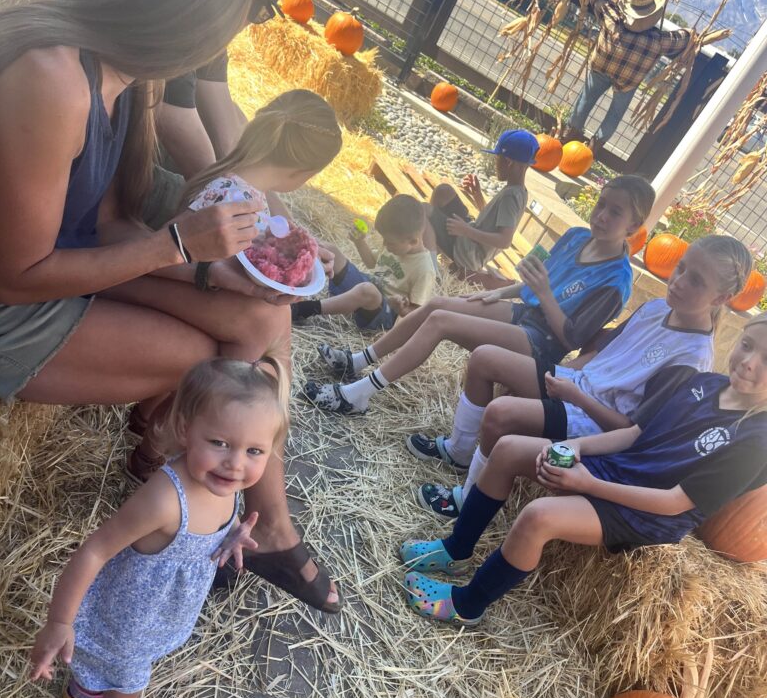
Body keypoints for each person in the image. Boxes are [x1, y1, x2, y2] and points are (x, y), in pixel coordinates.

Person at [0, 0, 339, 613]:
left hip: (64, 262)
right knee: (211, 357)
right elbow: (19, 274)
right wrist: (182, 248)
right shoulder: (55, 79)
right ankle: (215, 510)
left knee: (251, 322)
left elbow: (109, 219)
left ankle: (247, 515)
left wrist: (244, 259)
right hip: (13, 305)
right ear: (187, 20)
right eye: (224, 32)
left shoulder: (119, 75)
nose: (222, 52)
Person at [399, 313, 767, 627]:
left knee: (538, 516)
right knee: (509, 448)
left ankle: (468, 605)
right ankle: (457, 548)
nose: (749, 362)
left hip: (647, 511)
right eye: (747, 345)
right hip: (620, 467)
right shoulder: (702, 383)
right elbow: (633, 435)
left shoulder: (756, 440)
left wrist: (588, 483)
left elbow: (675, 503)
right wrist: (576, 446)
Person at [29, 359, 289, 698]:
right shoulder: (166, 500)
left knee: (108, 669)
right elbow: (95, 550)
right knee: (125, 693)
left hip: (153, 613)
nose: (235, 464)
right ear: (185, 429)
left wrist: (229, 538)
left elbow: (203, 535)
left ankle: (83, 689)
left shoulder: (222, 485)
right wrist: (59, 621)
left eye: (254, 451)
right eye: (220, 442)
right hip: (130, 622)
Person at [411, 235, 752, 517]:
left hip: (594, 421)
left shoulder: (690, 360)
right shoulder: (657, 308)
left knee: (502, 413)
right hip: (578, 385)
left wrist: (573, 395)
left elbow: (630, 430)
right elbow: (600, 355)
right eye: (681, 268)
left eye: (695, 280)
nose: (678, 281)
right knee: (486, 359)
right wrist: (558, 376)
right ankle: (459, 451)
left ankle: (465, 500)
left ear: (721, 297)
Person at [128, 89, 343, 485]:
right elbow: (179, 253)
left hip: (174, 275)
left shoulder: (225, 178)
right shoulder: (240, 202)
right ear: (303, 176)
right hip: (157, 276)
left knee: (260, 331)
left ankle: (151, 418)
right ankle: (163, 442)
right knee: (245, 351)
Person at [303, 176, 648, 416]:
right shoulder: (575, 236)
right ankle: (358, 361)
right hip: (524, 314)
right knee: (438, 304)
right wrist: (498, 294)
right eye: (601, 204)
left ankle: (359, 394)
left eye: (615, 212)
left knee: (440, 321)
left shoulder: (616, 281)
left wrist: (541, 293)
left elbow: (571, 337)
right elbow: (532, 284)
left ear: (634, 227)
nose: (602, 215)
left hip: (542, 344)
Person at [156, 0, 295, 179]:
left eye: (256, 7)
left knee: (237, 116)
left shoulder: (209, 41)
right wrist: (247, 201)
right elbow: (205, 167)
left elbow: (230, 145)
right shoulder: (174, 29)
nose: (239, 12)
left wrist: (281, 217)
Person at [563, 0, 691, 158]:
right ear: (654, 15)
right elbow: (683, 39)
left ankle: (569, 137)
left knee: (586, 99)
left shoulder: (613, 19)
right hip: (628, 81)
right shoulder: (659, 40)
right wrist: (691, 33)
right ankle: (590, 152)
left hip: (601, 67)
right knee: (614, 115)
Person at [290, 195, 435, 331]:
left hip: (383, 312)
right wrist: (359, 242)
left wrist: (402, 308)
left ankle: (303, 309)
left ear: (413, 241)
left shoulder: (424, 269)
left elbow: (417, 312)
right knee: (331, 251)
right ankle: (290, 272)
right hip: (367, 288)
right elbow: (372, 263)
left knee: (367, 290)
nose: (385, 244)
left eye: (390, 242)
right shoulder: (396, 244)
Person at [424, 129, 538, 273]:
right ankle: (435, 245)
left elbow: (504, 240)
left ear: (508, 162)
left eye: (497, 159)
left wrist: (466, 230)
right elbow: (493, 223)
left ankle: (430, 269)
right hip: (470, 236)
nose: (496, 163)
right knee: (443, 191)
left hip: (467, 253)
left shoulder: (510, 197)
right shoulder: (519, 191)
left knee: (423, 210)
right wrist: (477, 195)